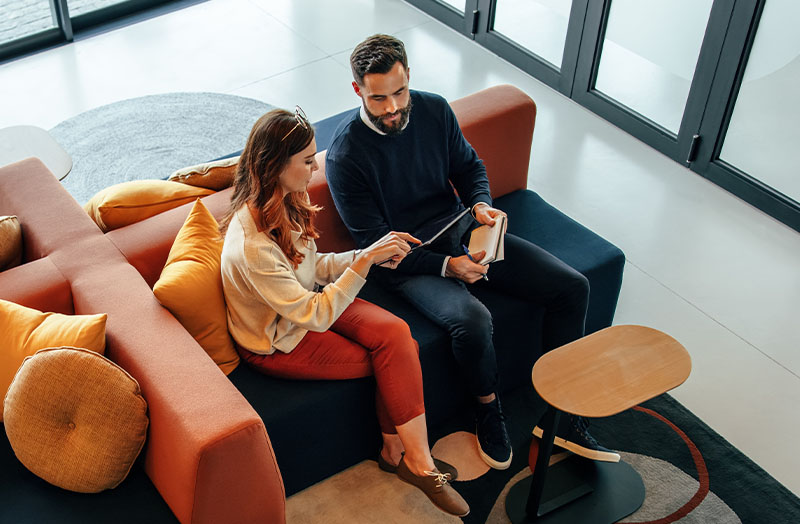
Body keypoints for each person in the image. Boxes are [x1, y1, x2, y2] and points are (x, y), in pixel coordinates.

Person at [325, 34, 620, 468]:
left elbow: (468, 166)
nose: (392, 108)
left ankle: (563, 415)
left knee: (571, 287)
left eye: (399, 92)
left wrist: (481, 202)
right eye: (378, 98)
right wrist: (448, 267)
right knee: (472, 321)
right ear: (357, 91)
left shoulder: (434, 109)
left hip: (460, 229)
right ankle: (487, 409)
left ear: (409, 77)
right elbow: (378, 247)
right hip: (405, 261)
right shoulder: (346, 155)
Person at [219, 107, 469, 517]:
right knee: (388, 358)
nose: (315, 167)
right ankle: (418, 464)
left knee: (397, 335)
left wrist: (366, 253)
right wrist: (363, 265)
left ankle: (399, 453)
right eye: (306, 161)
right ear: (275, 166)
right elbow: (314, 315)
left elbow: (312, 267)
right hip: (276, 342)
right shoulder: (253, 247)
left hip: (308, 301)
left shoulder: (287, 197)